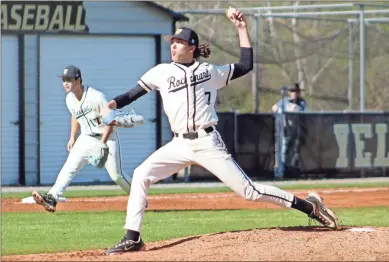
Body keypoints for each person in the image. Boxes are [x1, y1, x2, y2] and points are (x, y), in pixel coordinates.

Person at [103, 8, 338, 255]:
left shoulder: (209, 72)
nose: (173, 46)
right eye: (173, 42)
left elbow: (246, 65)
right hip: (178, 144)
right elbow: (132, 94)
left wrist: (241, 29)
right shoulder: (161, 72)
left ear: (191, 47)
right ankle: (133, 237)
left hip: (207, 142)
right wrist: (113, 104)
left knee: (250, 192)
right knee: (141, 174)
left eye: (179, 42)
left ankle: (311, 208)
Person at [32, 65, 132, 212]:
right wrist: (72, 137)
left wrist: (102, 144)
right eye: (64, 80)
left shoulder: (96, 97)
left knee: (117, 175)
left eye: (69, 80)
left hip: (106, 137)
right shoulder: (69, 99)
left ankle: (138, 197)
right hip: (86, 138)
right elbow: (75, 115)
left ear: (78, 80)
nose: (65, 83)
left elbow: (110, 121)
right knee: (69, 167)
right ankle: (52, 198)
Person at [272, 83, 307, 175]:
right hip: (285, 130)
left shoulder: (301, 103)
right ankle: (283, 170)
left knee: (296, 152)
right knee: (284, 150)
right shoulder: (284, 101)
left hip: (297, 131)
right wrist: (279, 110)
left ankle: (294, 170)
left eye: (296, 91)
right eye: (292, 91)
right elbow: (274, 107)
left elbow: (303, 112)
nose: (294, 93)